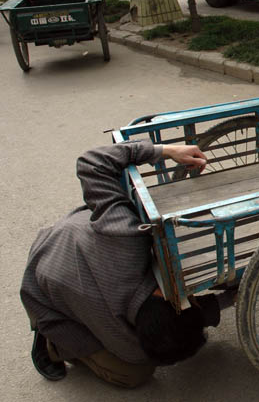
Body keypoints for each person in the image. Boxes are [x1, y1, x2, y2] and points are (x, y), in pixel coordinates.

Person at [20, 140, 232, 388]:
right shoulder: (129, 347)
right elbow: (90, 162)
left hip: (71, 248)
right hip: (43, 290)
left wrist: (166, 151)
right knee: (134, 375)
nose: (190, 295)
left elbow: (92, 163)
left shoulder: (125, 239)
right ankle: (52, 343)